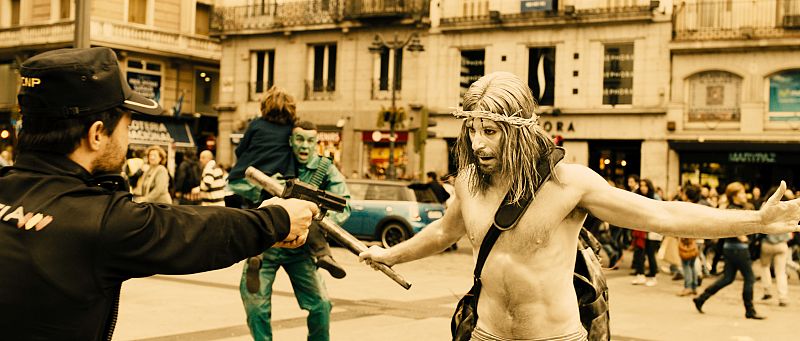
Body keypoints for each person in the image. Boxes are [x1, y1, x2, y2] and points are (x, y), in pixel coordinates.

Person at [359, 72, 800, 339]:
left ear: (519, 131)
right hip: (485, 333)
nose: (477, 143)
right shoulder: (469, 182)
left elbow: (662, 214)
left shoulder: (569, 184)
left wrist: (757, 219)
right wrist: (389, 253)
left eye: (490, 131)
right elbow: (443, 232)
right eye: (473, 130)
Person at [0, 47, 319, 341]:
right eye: (128, 124)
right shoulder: (97, 222)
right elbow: (194, 231)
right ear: (97, 133)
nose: (127, 138)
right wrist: (277, 218)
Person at [240, 120, 351, 341]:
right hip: (268, 245)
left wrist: (315, 219)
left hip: (302, 247)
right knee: (256, 307)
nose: (304, 145)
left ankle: (323, 254)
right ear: (291, 141)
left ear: (315, 143)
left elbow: (344, 204)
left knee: (321, 305)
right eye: (299, 139)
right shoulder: (275, 160)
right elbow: (241, 186)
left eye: (310, 141)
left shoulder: (323, 167)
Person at [692, 182, 765, 319]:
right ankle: (750, 310)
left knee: (727, 278)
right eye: (742, 193)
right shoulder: (733, 209)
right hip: (739, 250)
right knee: (750, 278)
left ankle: (701, 298)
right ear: (734, 196)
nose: (745, 195)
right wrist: (741, 237)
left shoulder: (737, 207)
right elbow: (731, 225)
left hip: (730, 249)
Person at [227, 85, 297, 205]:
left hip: (247, 180)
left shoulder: (256, 124)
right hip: (278, 182)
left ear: (265, 104)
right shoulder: (292, 128)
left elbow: (239, 150)